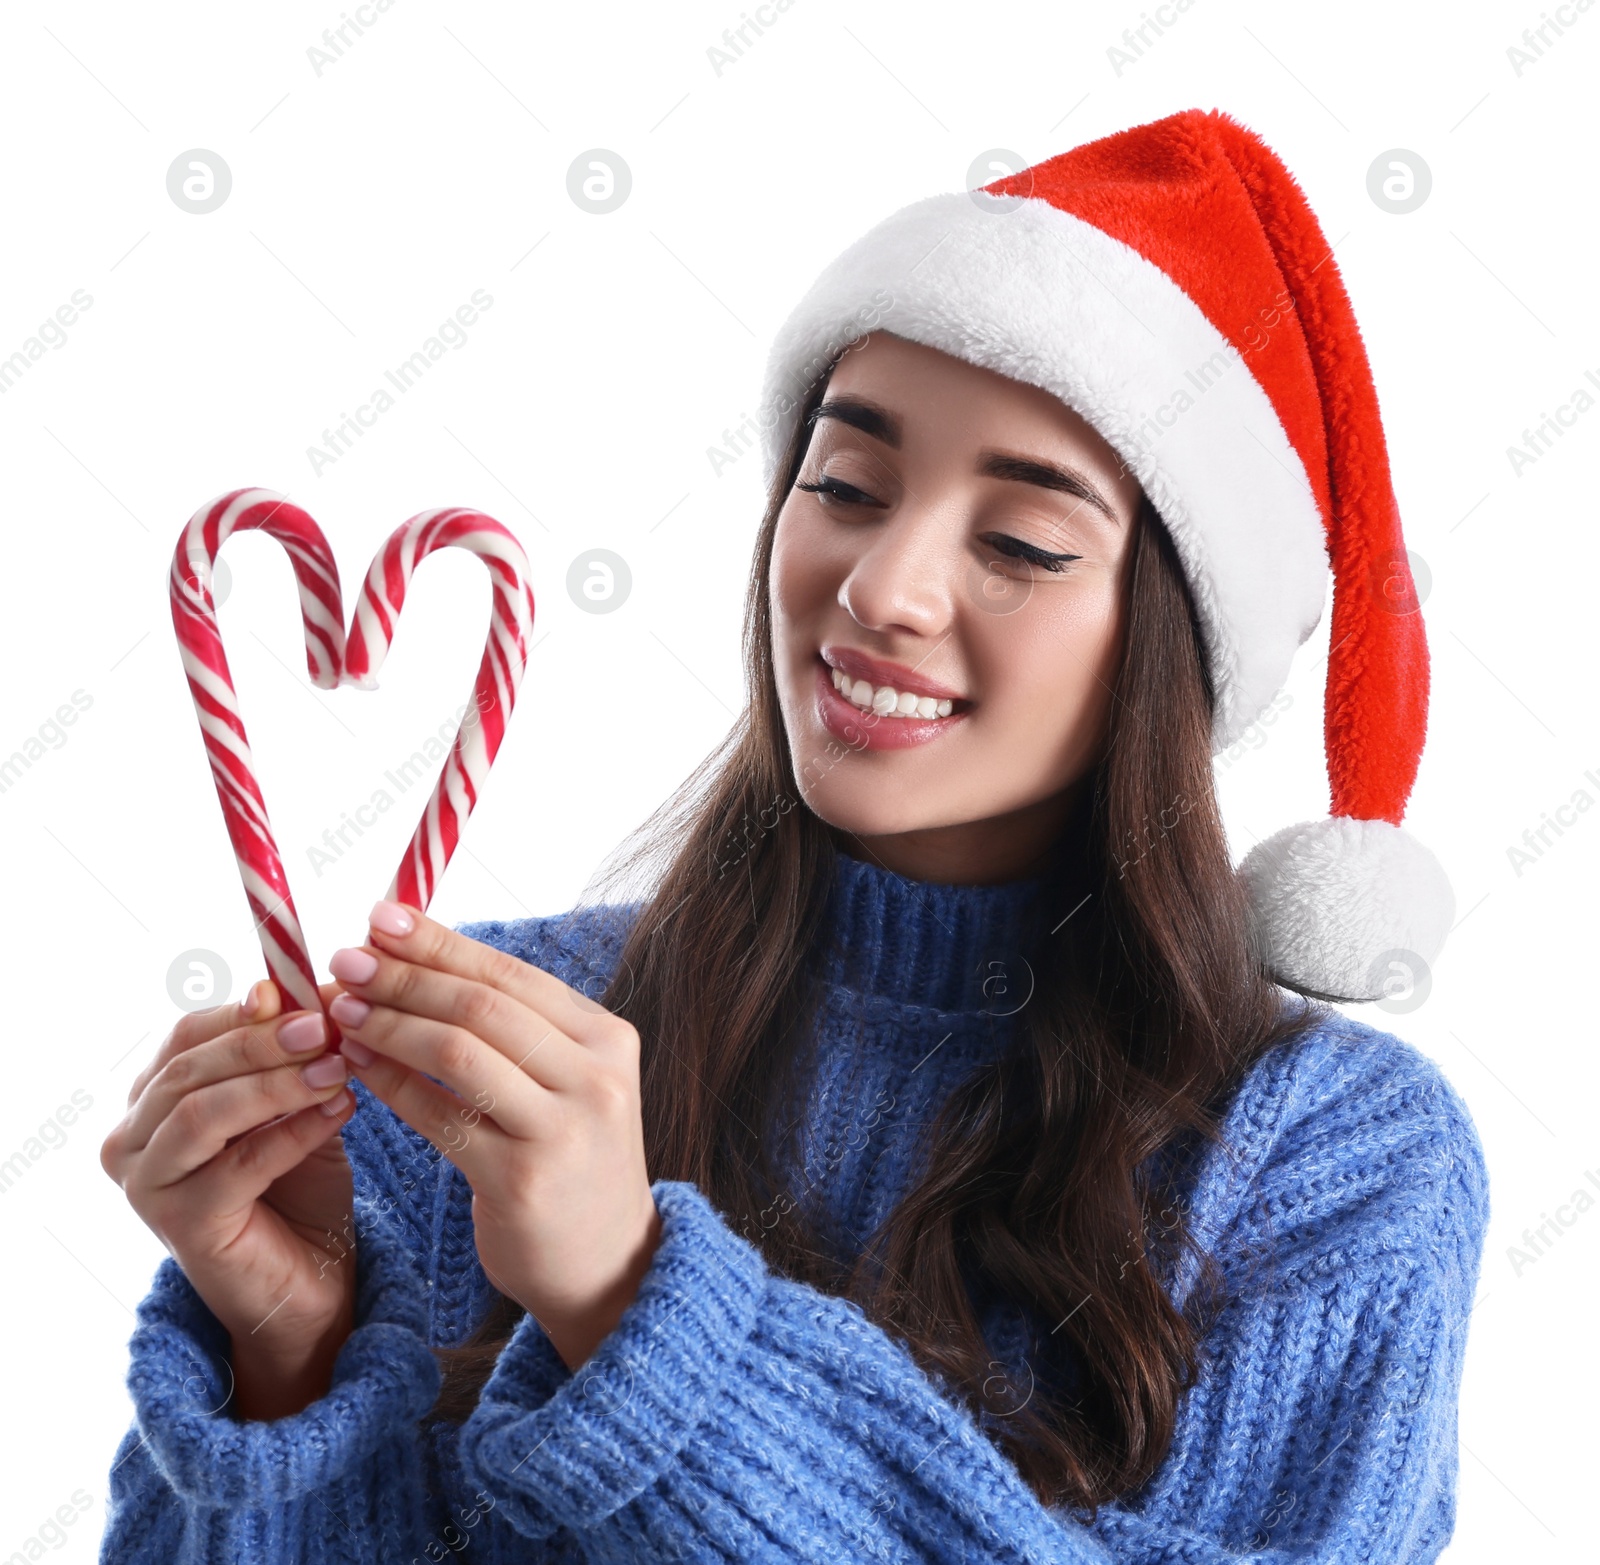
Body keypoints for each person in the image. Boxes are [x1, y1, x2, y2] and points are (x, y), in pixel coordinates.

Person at [98, 107, 1487, 1563]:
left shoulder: (1330, 1158)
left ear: (1174, 643)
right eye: (842, 484)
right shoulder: (461, 1072)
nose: (882, 583)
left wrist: (640, 1312)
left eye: (1017, 541)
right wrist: (290, 1340)